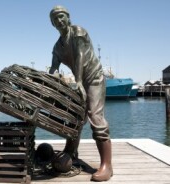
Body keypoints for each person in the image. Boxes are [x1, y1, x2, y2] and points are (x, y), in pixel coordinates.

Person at [49, 5, 113, 181]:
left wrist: (78, 82)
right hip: (80, 82)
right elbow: (53, 68)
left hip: (93, 78)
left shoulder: (78, 32)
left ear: (68, 18)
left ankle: (107, 166)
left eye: (62, 17)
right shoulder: (57, 47)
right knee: (75, 118)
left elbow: (80, 56)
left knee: (95, 117)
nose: (59, 20)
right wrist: (49, 82)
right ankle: (70, 152)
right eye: (55, 19)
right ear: (53, 24)